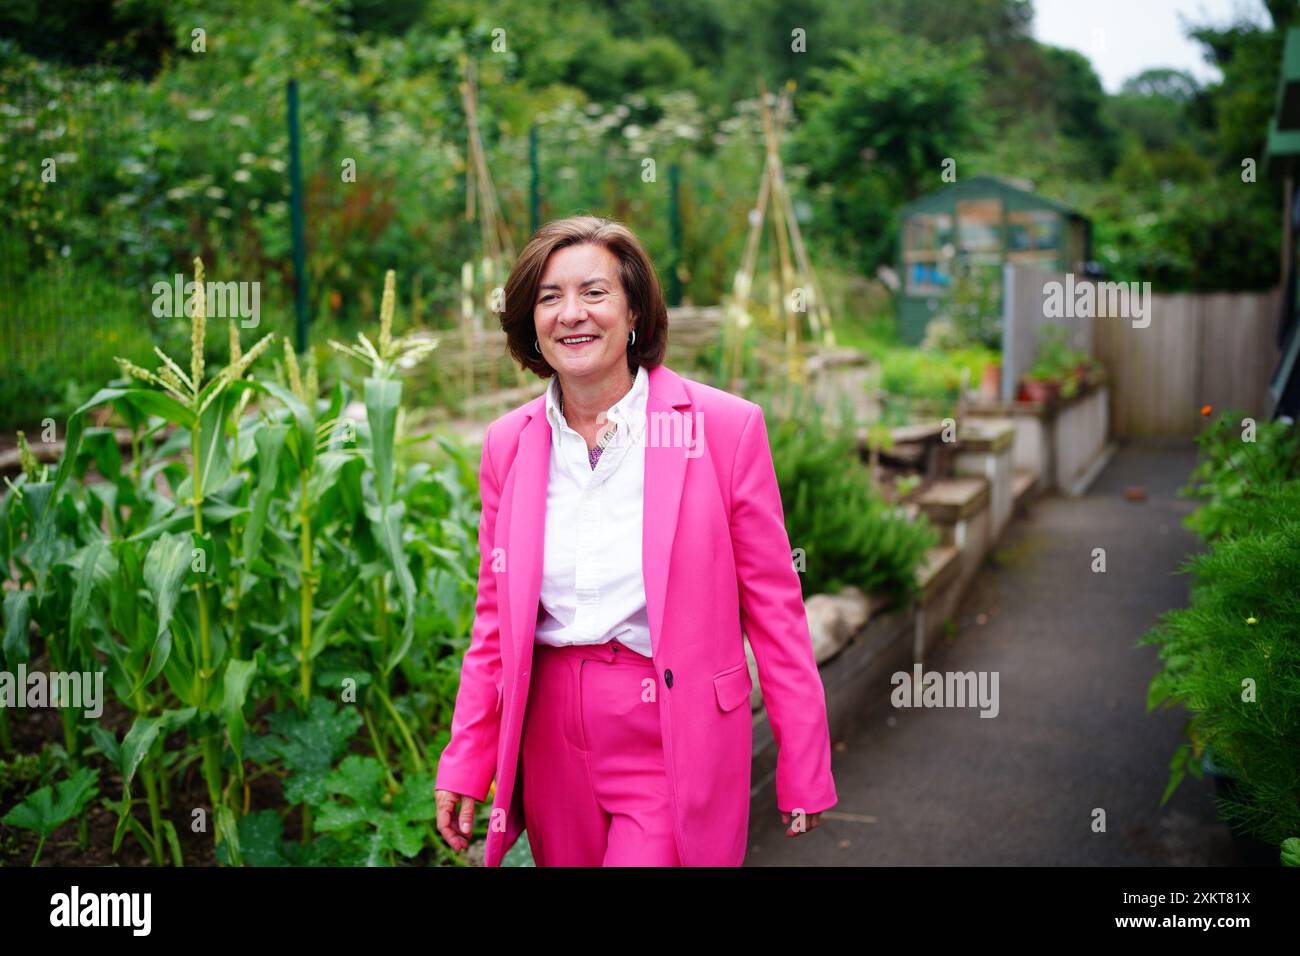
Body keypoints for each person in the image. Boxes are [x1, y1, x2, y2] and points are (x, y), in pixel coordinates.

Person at [433, 215, 837, 866]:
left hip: (669, 728)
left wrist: (805, 758)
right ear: (529, 323)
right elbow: (492, 622)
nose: (572, 314)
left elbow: (775, 610)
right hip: (551, 737)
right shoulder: (509, 444)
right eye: (549, 297)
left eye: (594, 292)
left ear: (635, 314)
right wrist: (465, 761)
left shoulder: (723, 429)